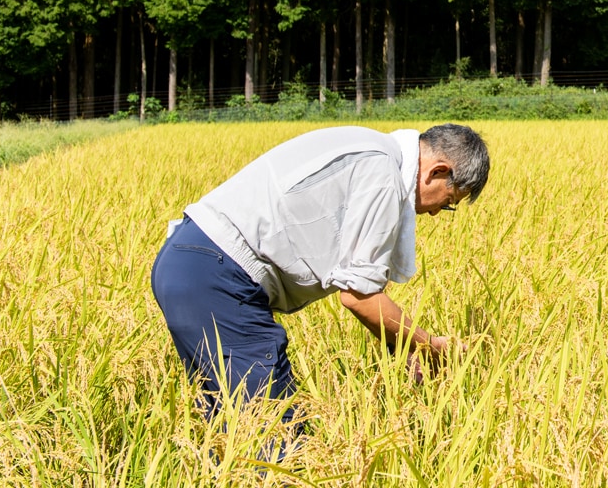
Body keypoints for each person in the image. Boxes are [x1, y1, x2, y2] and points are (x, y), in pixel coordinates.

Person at [150, 122, 490, 428]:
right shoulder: (383, 174)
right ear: (437, 171)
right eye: (447, 202)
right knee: (276, 440)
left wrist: (401, 348)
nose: (434, 212)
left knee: (231, 434)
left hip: (191, 262)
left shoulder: (373, 150)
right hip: (218, 276)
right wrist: (430, 347)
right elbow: (359, 297)